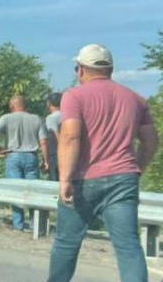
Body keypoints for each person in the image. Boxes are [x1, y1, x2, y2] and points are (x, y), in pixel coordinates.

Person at [48, 44, 159, 282]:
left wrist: (65, 179)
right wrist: (136, 170)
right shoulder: (135, 99)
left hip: (82, 180)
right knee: (129, 247)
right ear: (111, 68)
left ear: (80, 70)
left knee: (67, 244)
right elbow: (150, 142)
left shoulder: (74, 96)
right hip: (123, 179)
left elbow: (70, 137)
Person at [0, 94, 48, 231]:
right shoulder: (36, 119)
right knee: (33, 192)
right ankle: (36, 225)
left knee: (15, 191)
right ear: (26, 106)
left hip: (13, 156)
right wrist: (46, 161)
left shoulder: (7, 118)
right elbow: (44, 142)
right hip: (31, 157)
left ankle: (18, 225)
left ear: (11, 106)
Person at [45, 93, 63, 181]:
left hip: (56, 154)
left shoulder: (51, 118)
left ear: (49, 103)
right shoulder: (68, 115)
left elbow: (55, 135)